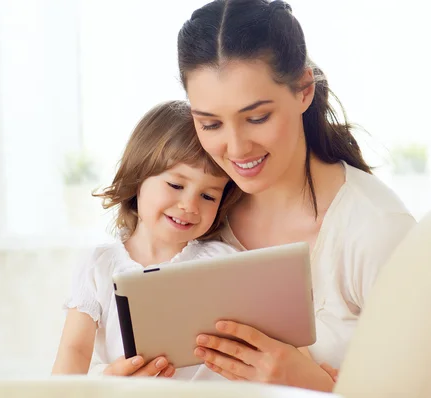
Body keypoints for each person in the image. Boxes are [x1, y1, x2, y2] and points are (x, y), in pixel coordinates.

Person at [177, 0, 417, 392]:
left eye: (257, 118)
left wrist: (317, 387)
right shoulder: (195, 214)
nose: (235, 149)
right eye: (211, 124)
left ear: (304, 90)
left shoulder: (374, 230)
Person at [51, 100, 242, 380]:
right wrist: (106, 383)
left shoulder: (221, 260)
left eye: (208, 196)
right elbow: (74, 352)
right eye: (176, 185)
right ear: (138, 177)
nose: (189, 205)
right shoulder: (99, 265)